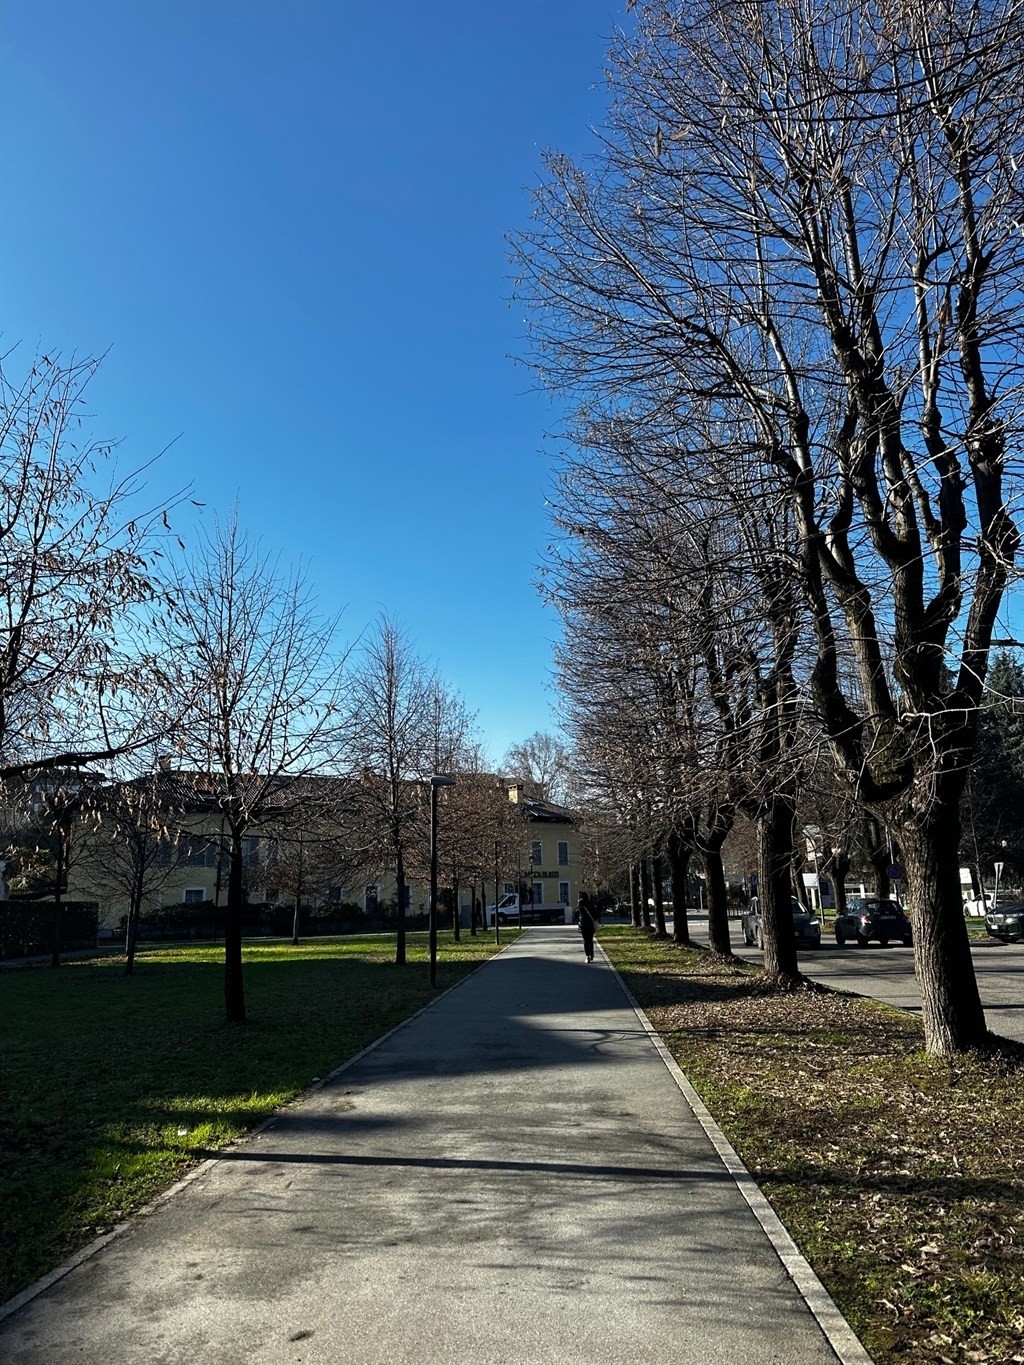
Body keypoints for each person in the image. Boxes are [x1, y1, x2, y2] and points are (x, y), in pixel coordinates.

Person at [577, 892, 597, 963]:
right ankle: (591, 954)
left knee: (585, 941)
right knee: (590, 940)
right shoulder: (590, 904)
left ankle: (587, 956)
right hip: (590, 924)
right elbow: (595, 913)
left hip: (583, 925)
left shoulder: (580, 904)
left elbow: (576, 914)